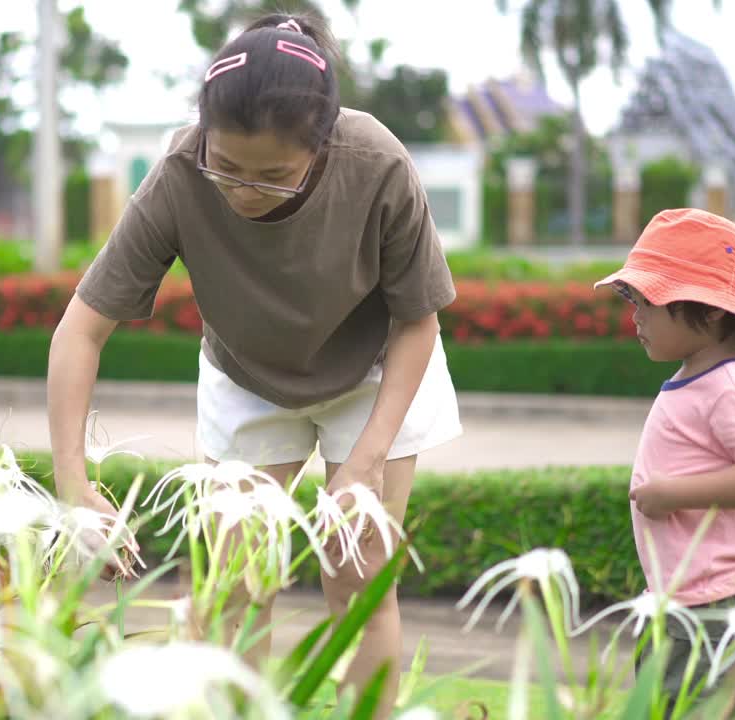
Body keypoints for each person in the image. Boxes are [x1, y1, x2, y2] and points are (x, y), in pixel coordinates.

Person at [46, 12, 461, 714]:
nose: (241, 189)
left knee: (356, 578)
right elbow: (80, 330)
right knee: (232, 581)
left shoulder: (377, 162)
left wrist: (365, 460)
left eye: (272, 175)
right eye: (227, 166)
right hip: (247, 375)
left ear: (322, 145)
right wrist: (72, 481)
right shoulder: (181, 172)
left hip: (374, 373)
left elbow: (419, 320)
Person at [595, 208, 735, 716]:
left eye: (649, 303)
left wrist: (673, 494)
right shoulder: (699, 378)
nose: (635, 316)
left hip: (718, 610)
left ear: (707, 314)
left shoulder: (731, 385)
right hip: (683, 601)